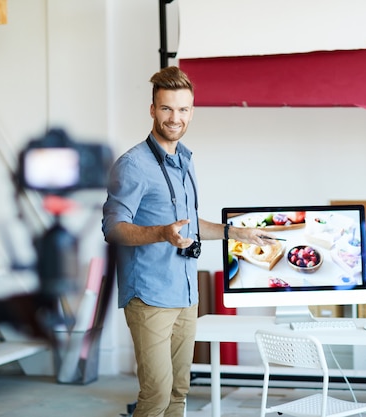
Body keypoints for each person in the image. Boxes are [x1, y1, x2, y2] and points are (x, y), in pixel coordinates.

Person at [102, 66, 275, 417]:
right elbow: (112, 228)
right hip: (149, 296)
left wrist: (236, 233)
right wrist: (161, 233)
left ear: (191, 111)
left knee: (180, 392)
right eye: (166, 108)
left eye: (182, 109)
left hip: (185, 295)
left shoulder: (185, 159)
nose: (174, 118)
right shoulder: (132, 165)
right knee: (156, 395)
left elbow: (190, 226)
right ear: (152, 109)